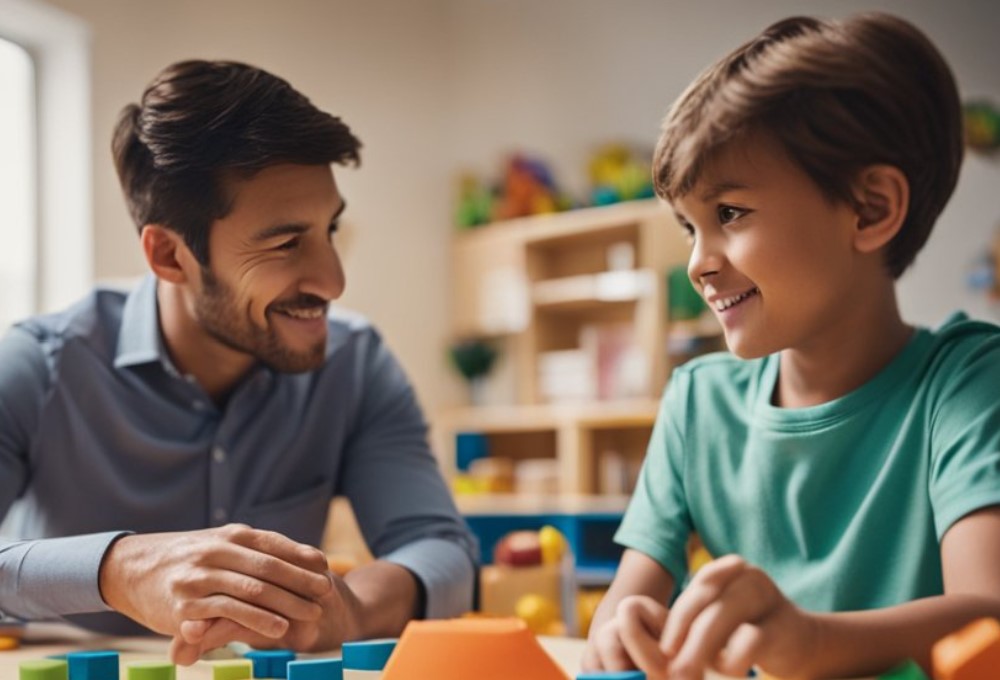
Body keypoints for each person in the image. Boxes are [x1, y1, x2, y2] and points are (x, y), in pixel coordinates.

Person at [0, 60, 477, 665]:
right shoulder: (38, 366)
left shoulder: (356, 364)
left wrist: (350, 608)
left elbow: (441, 549)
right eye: (285, 243)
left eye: (329, 229)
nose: (333, 281)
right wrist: (116, 569)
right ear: (170, 255)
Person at [583, 12, 1000, 680]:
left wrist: (808, 642)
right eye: (689, 226)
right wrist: (624, 630)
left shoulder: (968, 381)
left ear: (869, 209)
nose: (698, 263)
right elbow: (620, 617)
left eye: (730, 214)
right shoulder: (696, 404)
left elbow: (989, 619)